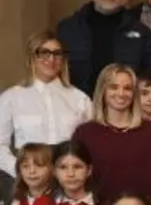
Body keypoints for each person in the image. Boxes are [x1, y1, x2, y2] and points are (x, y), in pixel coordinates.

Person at [57, 0, 151, 98]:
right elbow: (56, 71)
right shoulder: (68, 29)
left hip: (125, 107)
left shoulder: (141, 32)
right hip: (79, 107)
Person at [0, 33, 93, 185]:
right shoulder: (11, 98)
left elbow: (91, 143)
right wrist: (20, 170)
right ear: (32, 57)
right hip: (28, 180)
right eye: (44, 53)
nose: (51, 59)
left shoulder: (79, 98)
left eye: (57, 54)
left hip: (69, 180)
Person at [70, 64, 151, 200]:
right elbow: (76, 177)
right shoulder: (85, 133)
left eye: (127, 88)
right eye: (114, 87)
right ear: (102, 90)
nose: (121, 94)